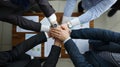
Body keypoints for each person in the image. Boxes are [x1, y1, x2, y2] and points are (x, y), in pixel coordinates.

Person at [50, 25, 120, 67]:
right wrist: (70, 33)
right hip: (98, 45)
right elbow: (103, 34)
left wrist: (67, 40)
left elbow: (83, 65)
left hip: (91, 61)